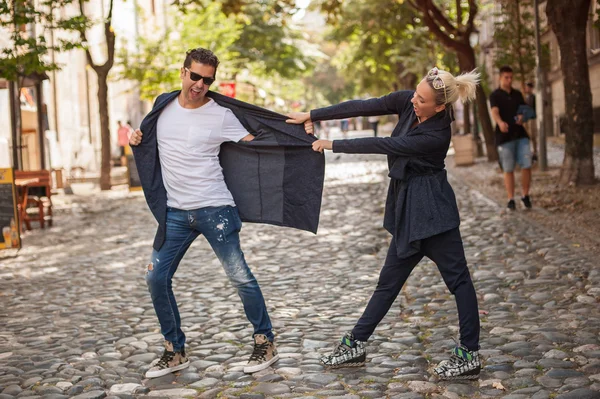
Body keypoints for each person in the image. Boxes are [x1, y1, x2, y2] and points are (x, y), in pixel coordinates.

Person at [128, 48, 325, 379]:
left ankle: (265, 341)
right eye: (195, 76)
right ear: (183, 72)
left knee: (240, 277)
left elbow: (259, 141)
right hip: (175, 214)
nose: (200, 85)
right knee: (155, 277)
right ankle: (174, 350)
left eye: (207, 79)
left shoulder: (220, 114)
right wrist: (137, 139)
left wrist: (297, 136)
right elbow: (148, 140)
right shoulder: (162, 106)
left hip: (215, 209)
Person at [286, 67, 482, 381]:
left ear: (440, 107)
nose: (414, 100)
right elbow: (364, 105)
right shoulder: (410, 103)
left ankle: (469, 354)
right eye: (416, 94)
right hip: (409, 211)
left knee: (459, 281)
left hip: (433, 213)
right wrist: (312, 113)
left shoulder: (436, 134)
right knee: (388, 282)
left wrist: (332, 144)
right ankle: (356, 343)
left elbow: (386, 146)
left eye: (421, 99)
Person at [489, 66, 532, 211]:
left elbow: (524, 110)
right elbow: (494, 111)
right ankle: (510, 198)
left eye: (511, 77)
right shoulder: (495, 95)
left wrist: (522, 117)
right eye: (506, 77)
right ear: (500, 77)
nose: (509, 80)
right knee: (508, 168)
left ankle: (525, 196)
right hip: (504, 137)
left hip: (521, 135)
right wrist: (500, 123)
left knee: (527, 164)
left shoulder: (517, 94)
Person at [524, 82, 538, 163]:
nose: (526, 89)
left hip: (532, 119)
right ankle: (529, 153)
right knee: (527, 136)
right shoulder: (527, 97)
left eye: (528, 87)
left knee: (533, 136)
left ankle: (535, 152)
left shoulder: (534, 97)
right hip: (527, 119)